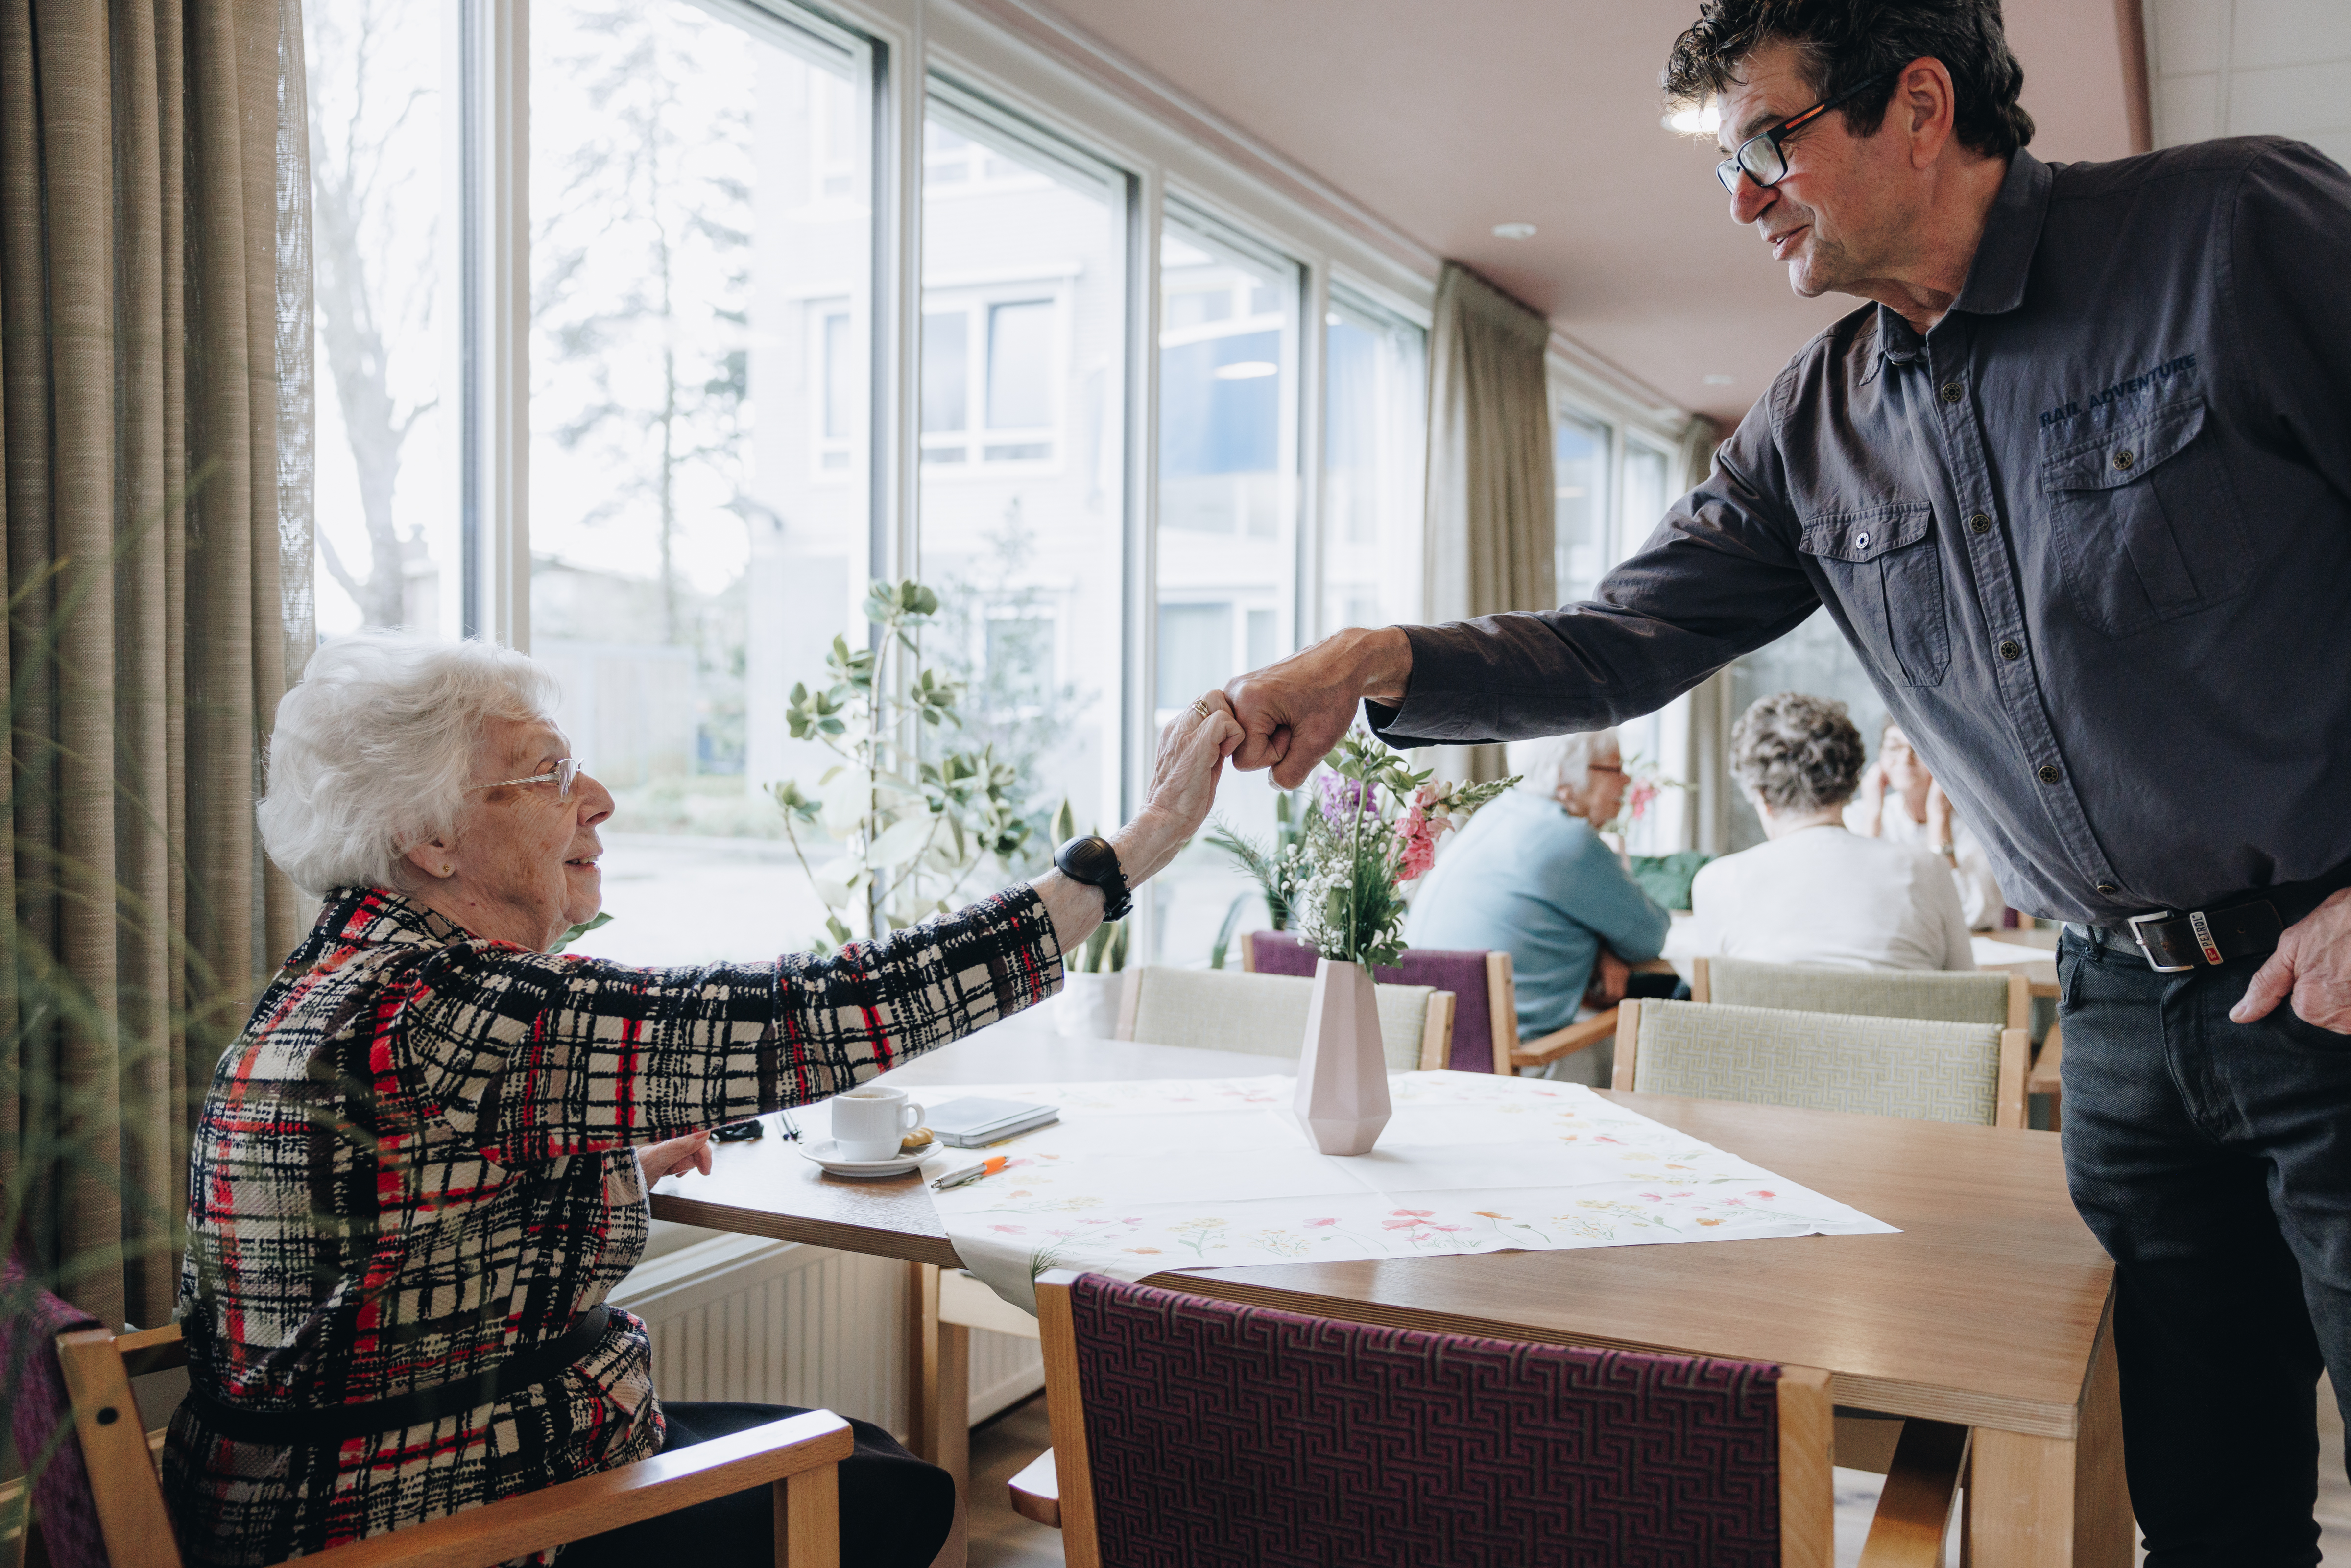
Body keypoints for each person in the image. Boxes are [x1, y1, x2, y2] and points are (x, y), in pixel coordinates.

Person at [1220, 2, 2351, 1556]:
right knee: (2209, 1510)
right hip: (2124, 1026)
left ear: (1920, 105)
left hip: (2332, 951)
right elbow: (1618, 640)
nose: (1745, 197)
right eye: (1728, 166)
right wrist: (1371, 661)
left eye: (1769, 143)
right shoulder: (1816, 427)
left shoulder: (2228, 232)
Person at [164, 632, 1242, 1568]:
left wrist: (610, 1170)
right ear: (431, 836)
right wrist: (1126, 856)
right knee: (901, 1491)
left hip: (351, 1490)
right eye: (549, 774)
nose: (598, 800)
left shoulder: (346, 977)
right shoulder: (453, 1008)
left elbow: (386, 1228)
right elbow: (820, 1011)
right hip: (447, 1522)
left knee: (865, 1448)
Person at [1403, 729, 1670, 1081]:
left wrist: (1598, 947)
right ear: (1567, 780)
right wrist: (1606, 946)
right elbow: (1650, 937)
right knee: (1654, 1039)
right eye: (1614, 769)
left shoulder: (1497, 813)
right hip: (1516, 1066)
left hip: (1430, 1056)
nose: (1626, 781)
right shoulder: (1570, 842)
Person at [1671, 694, 1972, 973]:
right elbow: (1967, 996)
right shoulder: (1927, 869)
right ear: (1852, 781)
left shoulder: (1716, 882)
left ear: (1760, 795)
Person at [1847, 716, 2007, 929]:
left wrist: (1939, 817)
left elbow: (1972, 916)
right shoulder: (1860, 814)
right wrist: (1873, 816)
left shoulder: (1978, 825)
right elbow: (1855, 904)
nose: (1906, 758)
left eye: (1918, 747)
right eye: (1894, 748)